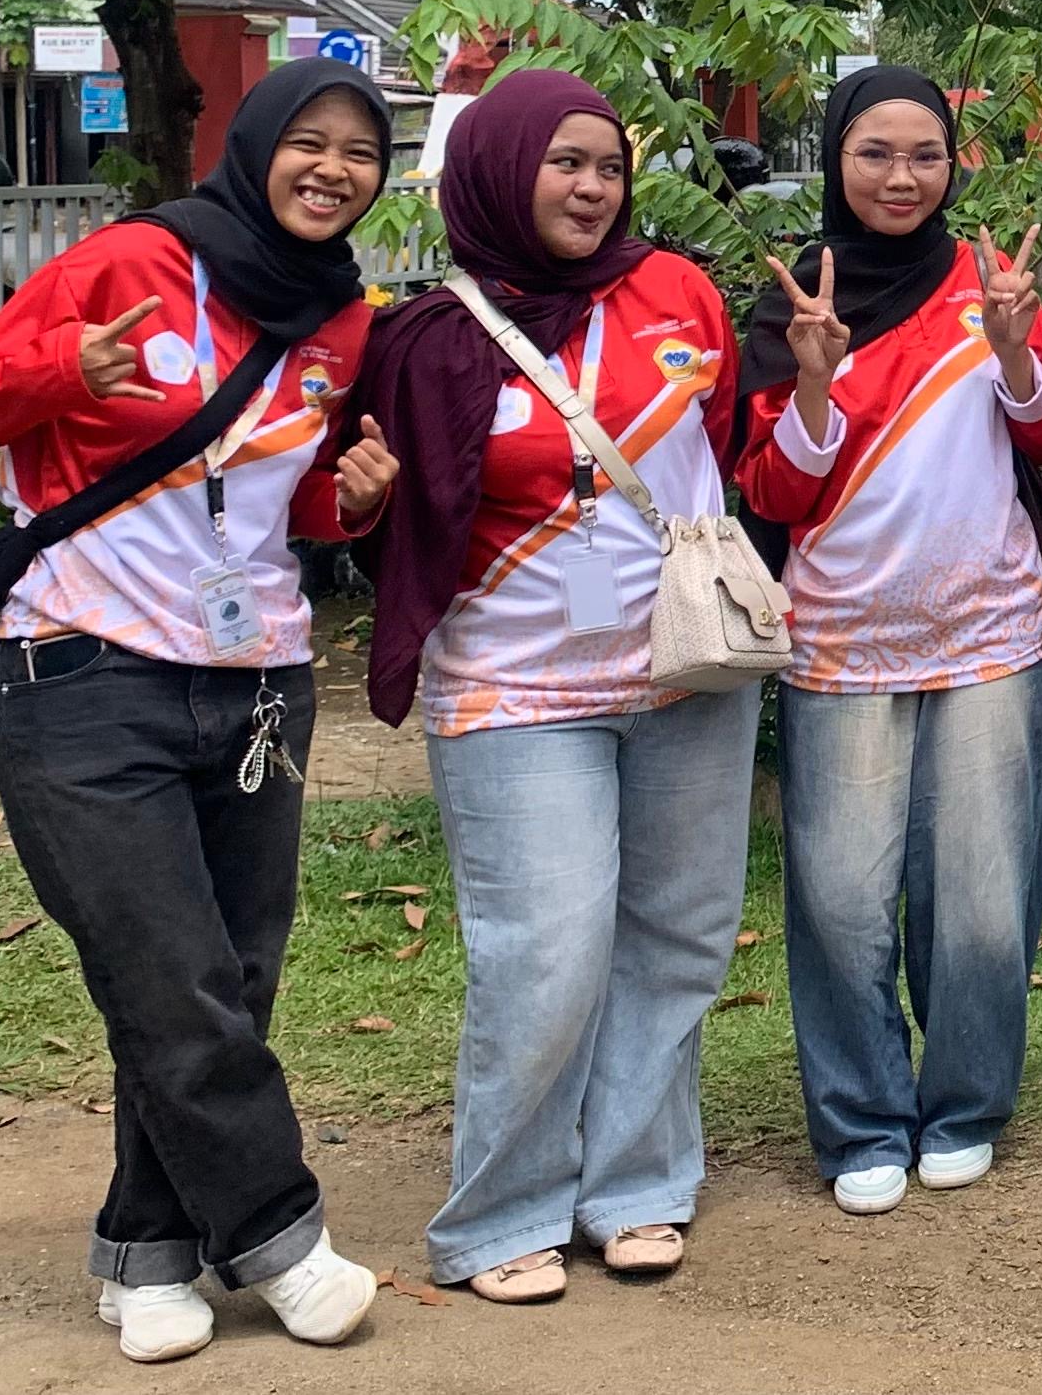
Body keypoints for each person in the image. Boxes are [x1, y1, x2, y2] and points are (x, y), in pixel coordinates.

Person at [0, 60, 401, 1365]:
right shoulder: (129, 261)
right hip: (80, 668)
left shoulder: (339, 321)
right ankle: (283, 1238)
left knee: (228, 979)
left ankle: (147, 1257)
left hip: (257, 682)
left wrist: (350, 500)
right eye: (308, 143)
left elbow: (283, 511)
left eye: (361, 154)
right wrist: (62, 368)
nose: (333, 171)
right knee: (167, 971)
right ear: (252, 147)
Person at [355, 69, 754, 1303]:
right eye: (563, 162)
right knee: (547, 952)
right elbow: (373, 508)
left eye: (607, 167)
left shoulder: (677, 289)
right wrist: (357, 507)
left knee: (678, 938)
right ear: (498, 167)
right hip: (514, 688)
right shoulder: (428, 335)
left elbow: (726, 450)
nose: (591, 187)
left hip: (688, 669)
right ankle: (503, 1212)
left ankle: (636, 1184)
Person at [733, 68, 1042, 1217]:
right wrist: (816, 380)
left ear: (954, 162)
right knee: (840, 898)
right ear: (837, 157)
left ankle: (967, 1104)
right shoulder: (793, 308)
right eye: (875, 152)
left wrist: (1018, 347)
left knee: (985, 898)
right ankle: (860, 1121)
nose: (901, 176)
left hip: (990, 634)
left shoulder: (989, 286)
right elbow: (774, 495)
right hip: (839, 643)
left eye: (926, 153)